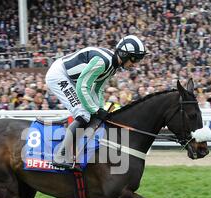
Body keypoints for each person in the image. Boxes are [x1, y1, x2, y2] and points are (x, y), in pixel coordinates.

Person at [45, 35, 146, 169]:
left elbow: (98, 89)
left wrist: (100, 109)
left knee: (90, 112)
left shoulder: (113, 66)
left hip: (71, 78)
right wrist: (96, 110)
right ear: (124, 54)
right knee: (83, 113)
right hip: (59, 75)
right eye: (134, 59)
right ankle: (60, 155)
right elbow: (82, 86)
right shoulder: (103, 62)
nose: (135, 64)